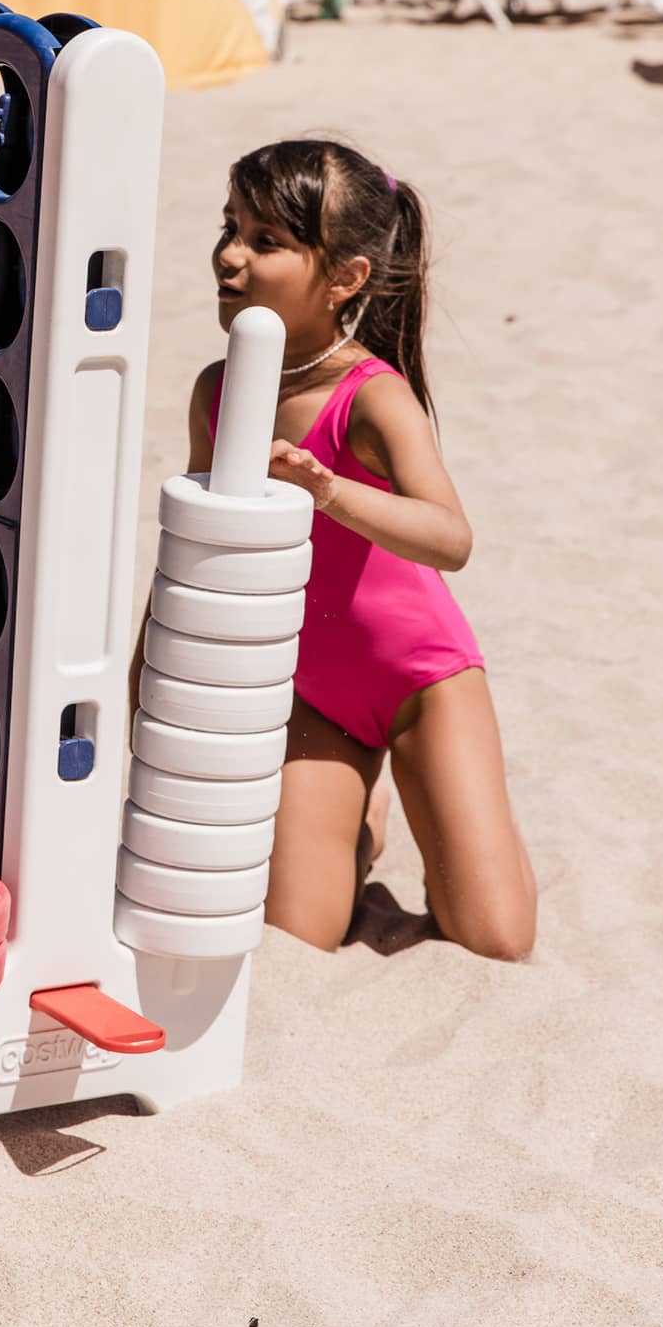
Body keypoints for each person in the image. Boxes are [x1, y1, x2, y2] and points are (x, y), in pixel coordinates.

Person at [145, 138, 535, 961]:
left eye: (266, 241)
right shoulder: (217, 393)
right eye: (229, 227)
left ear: (347, 277)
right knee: (299, 933)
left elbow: (450, 538)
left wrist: (328, 490)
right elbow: (192, 545)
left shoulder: (372, 397)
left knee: (495, 938)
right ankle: (362, 814)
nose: (229, 255)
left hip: (420, 682)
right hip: (312, 693)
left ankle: (404, 793)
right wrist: (155, 657)